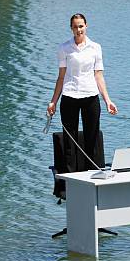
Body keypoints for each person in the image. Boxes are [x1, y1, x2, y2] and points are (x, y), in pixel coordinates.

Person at [47, 13, 118, 173]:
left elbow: (99, 76)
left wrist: (108, 101)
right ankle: (70, 178)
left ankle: (92, 175)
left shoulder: (95, 47)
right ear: (71, 28)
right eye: (75, 27)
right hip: (70, 96)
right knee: (70, 140)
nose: (78, 29)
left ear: (86, 26)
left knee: (91, 137)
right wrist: (53, 101)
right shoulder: (64, 48)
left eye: (81, 26)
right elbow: (61, 77)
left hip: (90, 97)